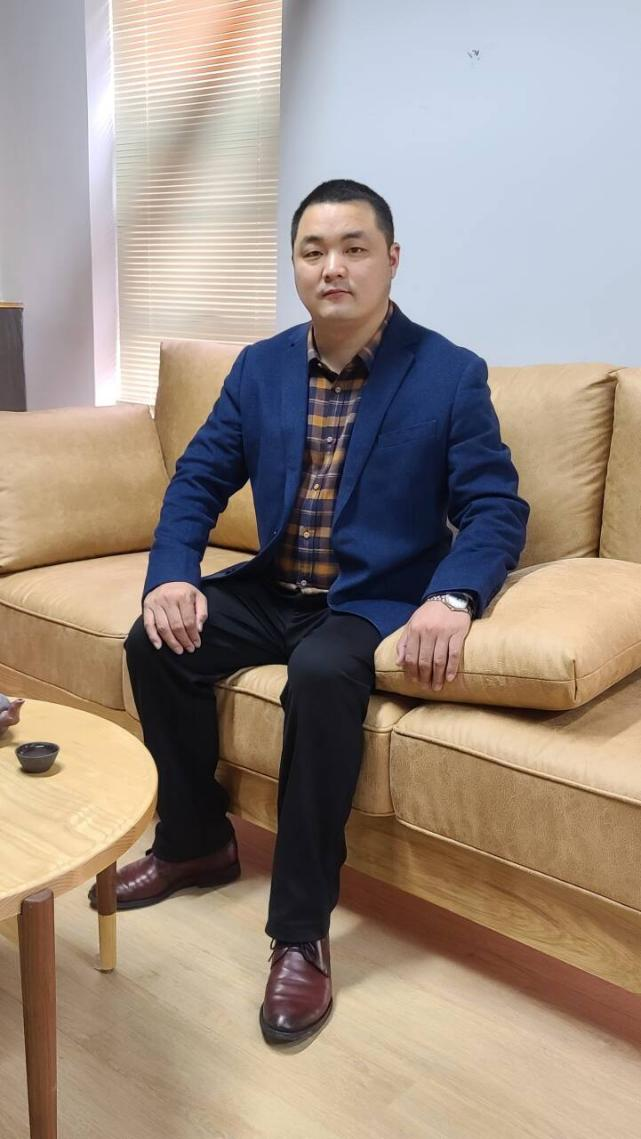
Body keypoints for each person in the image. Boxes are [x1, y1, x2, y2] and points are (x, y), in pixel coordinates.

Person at [90, 179, 529, 1046]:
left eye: (354, 248)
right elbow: (198, 479)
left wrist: (452, 596)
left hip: (370, 599)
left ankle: (299, 931)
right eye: (313, 250)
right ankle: (195, 841)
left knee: (322, 678)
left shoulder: (448, 374)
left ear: (390, 260)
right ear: (294, 264)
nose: (333, 267)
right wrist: (171, 574)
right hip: (274, 587)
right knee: (156, 640)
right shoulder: (259, 368)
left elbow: (494, 507)